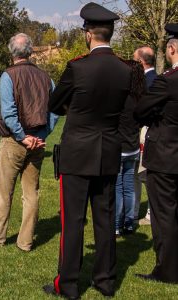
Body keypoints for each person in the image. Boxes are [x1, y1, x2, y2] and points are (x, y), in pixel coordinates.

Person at [42, 3, 135, 299]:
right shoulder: (125, 69)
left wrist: (77, 107)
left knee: (73, 222)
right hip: (108, 150)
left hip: (77, 153)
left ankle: (67, 284)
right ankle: (105, 280)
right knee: (105, 219)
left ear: (88, 34)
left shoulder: (78, 67)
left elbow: (54, 104)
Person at [0, 33, 58, 252]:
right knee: (31, 193)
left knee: (4, 192)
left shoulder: (8, 75)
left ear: (11, 52)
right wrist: (43, 134)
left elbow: (9, 114)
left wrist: (23, 137)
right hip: (36, 141)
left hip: (15, 141)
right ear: (30, 51)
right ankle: (26, 241)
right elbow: (56, 110)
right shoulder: (46, 78)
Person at [134, 23, 178, 284]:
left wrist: (157, 116)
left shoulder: (167, 82)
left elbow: (141, 111)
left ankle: (167, 269)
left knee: (164, 215)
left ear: (171, 49)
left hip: (165, 154)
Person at [115, 60, 145, 237]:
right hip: (133, 147)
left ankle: (117, 224)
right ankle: (129, 222)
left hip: (120, 147)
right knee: (129, 186)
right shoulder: (139, 97)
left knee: (119, 187)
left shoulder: (122, 98)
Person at [133, 46, 157, 226]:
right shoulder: (157, 78)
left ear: (141, 62)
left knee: (142, 174)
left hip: (144, 130)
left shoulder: (147, 82)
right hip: (149, 130)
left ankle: (146, 212)